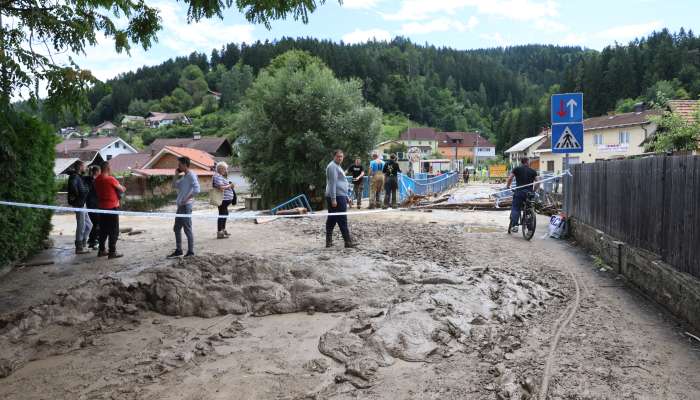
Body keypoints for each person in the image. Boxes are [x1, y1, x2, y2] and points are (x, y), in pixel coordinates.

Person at [168, 156, 200, 258]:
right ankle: (179, 250)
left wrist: (186, 199)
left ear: (185, 164)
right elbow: (173, 186)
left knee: (187, 229)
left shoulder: (191, 175)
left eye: (179, 164)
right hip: (180, 206)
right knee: (176, 228)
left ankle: (190, 251)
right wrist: (176, 175)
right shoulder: (184, 177)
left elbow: (197, 190)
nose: (178, 166)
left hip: (186, 206)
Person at [325, 149, 356, 248]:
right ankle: (348, 242)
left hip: (340, 195)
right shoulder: (332, 166)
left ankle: (329, 241)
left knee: (332, 219)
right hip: (336, 196)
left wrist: (346, 196)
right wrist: (334, 198)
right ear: (334, 156)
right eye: (338, 156)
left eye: (341, 156)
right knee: (342, 218)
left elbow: (341, 182)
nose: (340, 158)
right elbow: (332, 183)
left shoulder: (337, 166)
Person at [94, 161, 125, 259]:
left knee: (103, 230)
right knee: (113, 230)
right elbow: (122, 189)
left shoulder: (97, 179)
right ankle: (112, 252)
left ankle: (101, 250)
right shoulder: (110, 179)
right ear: (107, 168)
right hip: (112, 208)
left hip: (101, 208)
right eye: (110, 167)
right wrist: (122, 188)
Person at [506, 157, 539, 233]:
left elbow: (510, 178)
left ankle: (515, 226)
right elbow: (538, 182)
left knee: (516, 208)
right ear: (527, 162)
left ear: (521, 162)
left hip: (519, 192)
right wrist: (533, 191)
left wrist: (508, 186)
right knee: (529, 209)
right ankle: (530, 229)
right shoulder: (533, 171)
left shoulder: (516, 169)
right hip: (529, 193)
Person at [67, 160, 92, 254]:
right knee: (81, 226)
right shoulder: (74, 177)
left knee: (89, 225)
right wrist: (78, 196)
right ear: (80, 166)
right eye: (84, 166)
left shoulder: (79, 176)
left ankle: (83, 244)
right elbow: (73, 188)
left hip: (82, 203)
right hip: (79, 204)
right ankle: (79, 248)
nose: (85, 168)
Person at [213, 161, 235, 239]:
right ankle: (220, 232)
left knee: (224, 214)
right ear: (221, 169)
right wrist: (230, 185)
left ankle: (223, 230)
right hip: (222, 199)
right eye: (225, 169)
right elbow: (220, 187)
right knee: (222, 214)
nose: (226, 171)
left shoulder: (220, 176)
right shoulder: (217, 176)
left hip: (225, 199)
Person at [85, 165, 101, 249]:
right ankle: (93, 241)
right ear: (97, 172)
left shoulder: (87, 179)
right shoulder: (96, 181)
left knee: (92, 223)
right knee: (96, 223)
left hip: (89, 204)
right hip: (94, 205)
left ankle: (91, 239)